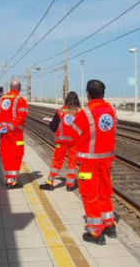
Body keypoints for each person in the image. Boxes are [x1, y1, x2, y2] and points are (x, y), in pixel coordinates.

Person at [68, 80, 117, 246]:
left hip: (89, 161)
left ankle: (96, 232)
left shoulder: (86, 112)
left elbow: (72, 133)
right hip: (106, 160)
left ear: (88, 94)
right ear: (103, 93)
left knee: (89, 195)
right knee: (105, 191)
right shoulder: (111, 109)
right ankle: (109, 225)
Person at [40, 91, 81, 192]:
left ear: (66, 99)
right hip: (74, 142)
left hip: (61, 141)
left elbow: (54, 127)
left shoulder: (60, 111)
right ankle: (70, 185)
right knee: (72, 162)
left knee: (57, 161)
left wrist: (51, 122)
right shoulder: (79, 111)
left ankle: (50, 183)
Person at [0, 80, 28, 189]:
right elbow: (20, 117)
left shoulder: (1, 99)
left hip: (3, 134)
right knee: (16, 156)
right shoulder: (21, 100)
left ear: (10, 87)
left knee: (6, 155)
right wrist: (9, 127)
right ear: (19, 88)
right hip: (15, 134)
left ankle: (8, 178)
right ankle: (12, 181)